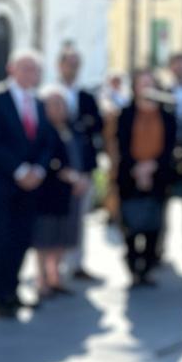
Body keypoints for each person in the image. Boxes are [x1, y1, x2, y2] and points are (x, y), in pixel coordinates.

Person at [0, 51, 62, 317]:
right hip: (3, 184)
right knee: (1, 239)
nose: (30, 74)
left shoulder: (38, 104)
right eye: (25, 68)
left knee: (21, 239)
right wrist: (20, 169)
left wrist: (38, 168)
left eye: (35, 69)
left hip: (31, 186)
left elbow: (47, 142)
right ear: (11, 68)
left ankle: (13, 291)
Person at [115, 69, 178, 287]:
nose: (147, 88)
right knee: (130, 223)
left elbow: (171, 147)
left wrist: (152, 167)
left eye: (150, 84)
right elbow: (121, 144)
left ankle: (148, 267)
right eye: (143, 84)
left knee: (154, 223)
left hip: (157, 176)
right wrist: (137, 168)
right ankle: (133, 266)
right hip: (130, 176)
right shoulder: (126, 113)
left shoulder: (167, 115)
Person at [33, 87, 95, 299]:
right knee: (44, 238)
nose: (58, 109)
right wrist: (62, 172)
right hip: (49, 191)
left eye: (61, 104)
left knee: (62, 237)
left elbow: (86, 155)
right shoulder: (41, 129)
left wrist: (83, 176)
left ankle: (55, 277)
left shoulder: (74, 129)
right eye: (53, 104)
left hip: (71, 192)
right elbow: (42, 158)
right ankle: (41, 280)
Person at [56, 44, 105, 282]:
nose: (72, 69)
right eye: (68, 64)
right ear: (60, 65)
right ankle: (53, 266)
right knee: (55, 217)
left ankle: (76, 263)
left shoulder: (87, 97)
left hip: (83, 166)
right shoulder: (51, 94)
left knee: (80, 217)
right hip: (58, 169)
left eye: (76, 65)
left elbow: (97, 127)